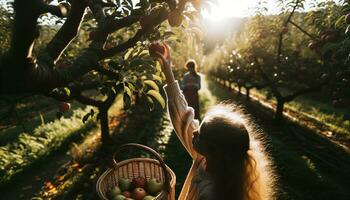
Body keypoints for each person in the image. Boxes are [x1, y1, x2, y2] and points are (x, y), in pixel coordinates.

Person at [156, 44, 275, 200]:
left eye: (200, 134)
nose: (195, 131)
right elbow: (184, 119)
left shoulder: (213, 194)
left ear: (214, 150)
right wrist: (168, 71)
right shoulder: (206, 159)